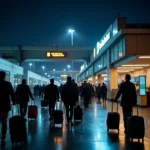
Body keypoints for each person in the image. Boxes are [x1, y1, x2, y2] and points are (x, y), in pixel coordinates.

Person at [0, 71, 16, 143]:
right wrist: (14, 101)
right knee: (4, 122)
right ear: (4, 76)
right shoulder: (7, 84)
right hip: (4, 105)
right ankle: (3, 137)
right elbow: (12, 93)